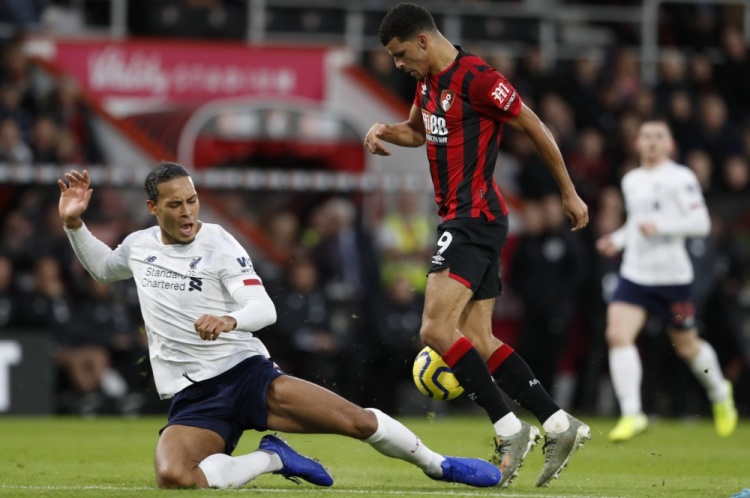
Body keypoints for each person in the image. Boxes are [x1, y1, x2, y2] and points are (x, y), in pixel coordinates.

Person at [57, 163, 503, 490]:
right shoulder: (139, 246)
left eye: (192, 200)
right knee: (175, 477)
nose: (188, 212)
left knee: (355, 422)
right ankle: (273, 458)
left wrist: (230, 319)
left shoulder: (218, 244)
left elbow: (263, 308)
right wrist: (74, 224)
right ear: (153, 207)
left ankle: (438, 465)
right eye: (175, 205)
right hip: (193, 397)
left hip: (245, 375)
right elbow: (104, 269)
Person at [364, 3, 591, 488]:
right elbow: (418, 132)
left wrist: (568, 192)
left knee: (434, 328)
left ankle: (509, 429)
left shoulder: (480, 79)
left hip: (475, 217)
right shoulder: (427, 81)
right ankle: (557, 423)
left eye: (401, 54)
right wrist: (385, 130)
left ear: (423, 40)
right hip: (465, 218)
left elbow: (534, 126)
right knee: (478, 337)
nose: (398, 64)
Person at [596, 118, 738, 442]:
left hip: (672, 279)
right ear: (637, 143)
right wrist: (617, 240)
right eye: (646, 136)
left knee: (687, 346)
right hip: (635, 274)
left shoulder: (680, 178)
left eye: (659, 136)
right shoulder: (631, 179)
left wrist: (661, 228)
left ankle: (719, 391)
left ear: (670, 145)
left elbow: (701, 223)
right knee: (617, 335)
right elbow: (636, 223)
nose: (651, 141)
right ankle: (632, 413)